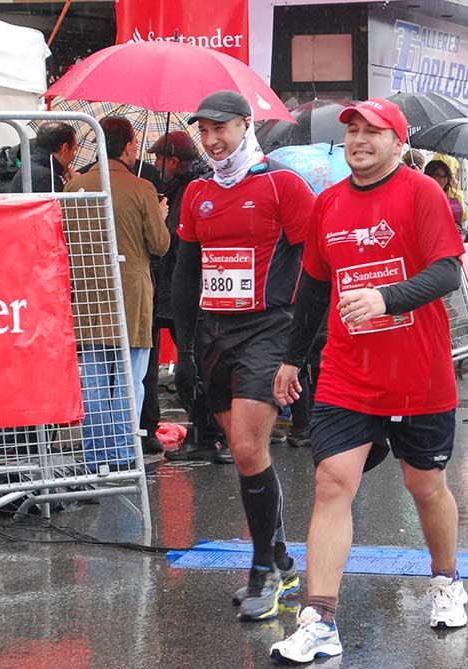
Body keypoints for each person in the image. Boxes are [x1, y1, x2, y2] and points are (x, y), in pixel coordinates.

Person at [270, 98, 467, 664]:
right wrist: (292, 358)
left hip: (418, 374)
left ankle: (447, 580)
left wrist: (385, 297)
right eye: (352, 130)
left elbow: (448, 271)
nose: (358, 139)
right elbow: (312, 289)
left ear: (398, 142)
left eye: (372, 131)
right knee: (333, 481)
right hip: (347, 373)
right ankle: (319, 619)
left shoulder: (421, 193)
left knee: (425, 486)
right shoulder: (327, 203)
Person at [171, 90, 316, 620]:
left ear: (245, 126)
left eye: (221, 130)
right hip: (215, 331)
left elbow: (314, 265)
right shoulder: (197, 192)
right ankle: (279, 555)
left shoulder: (283, 184)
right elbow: (186, 274)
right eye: (203, 132)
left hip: (268, 328)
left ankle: (263, 574)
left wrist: (300, 348)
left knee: (250, 447)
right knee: (242, 451)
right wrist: (184, 352)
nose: (211, 141)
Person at [65, 116, 170, 472]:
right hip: (131, 294)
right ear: (127, 146)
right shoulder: (140, 188)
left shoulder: (75, 187)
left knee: (93, 380)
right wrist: (160, 213)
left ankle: (96, 456)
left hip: (87, 293)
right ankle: (125, 453)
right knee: (129, 379)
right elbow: (159, 245)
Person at [138, 131, 231, 463]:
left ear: (174, 161)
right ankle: (205, 434)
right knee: (191, 365)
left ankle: (209, 436)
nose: (155, 165)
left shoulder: (195, 189)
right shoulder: (183, 187)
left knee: (194, 364)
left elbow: (174, 243)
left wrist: (161, 218)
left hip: (186, 290)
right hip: (173, 289)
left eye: (159, 159)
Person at [6, 122, 79, 193]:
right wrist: (75, 185)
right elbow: (60, 204)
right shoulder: (47, 178)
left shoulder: (29, 165)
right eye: (74, 150)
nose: (73, 157)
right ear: (65, 149)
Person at [425, 159, 465, 234]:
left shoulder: (452, 198)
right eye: (438, 175)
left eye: (444, 176)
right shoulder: (423, 198)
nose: (442, 180)